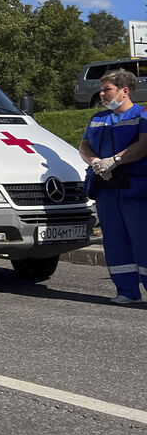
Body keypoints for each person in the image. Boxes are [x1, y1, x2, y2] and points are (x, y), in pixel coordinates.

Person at [79, 68, 147, 305]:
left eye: (106, 89)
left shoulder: (143, 113)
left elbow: (143, 145)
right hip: (106, 188)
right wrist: (96, 162)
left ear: (124, 90)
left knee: (143, 239)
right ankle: (127, 291)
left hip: (136, 188)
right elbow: (84, 146)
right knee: (115, 241)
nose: (101, 94)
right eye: (101, 90)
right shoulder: (97, 118)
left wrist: (115, 161)